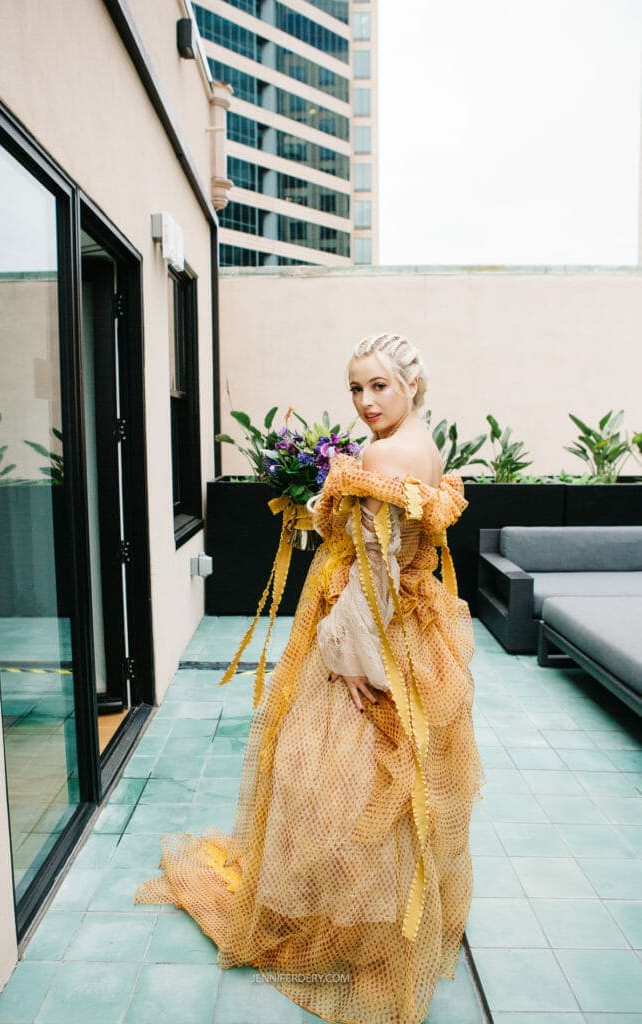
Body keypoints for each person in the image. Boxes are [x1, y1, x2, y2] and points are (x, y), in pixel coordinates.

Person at [135, 332, 486, 1024]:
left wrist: (349, 656)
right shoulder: (423, 443)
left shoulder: (382, 455)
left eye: (378, 385)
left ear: (410, 383)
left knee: (330, 778)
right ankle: (378, 922)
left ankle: (346, 927)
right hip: (410, 629)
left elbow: (378, 570)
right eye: (356, 387)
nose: (365, 401)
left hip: (368, 628)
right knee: (391, 785)